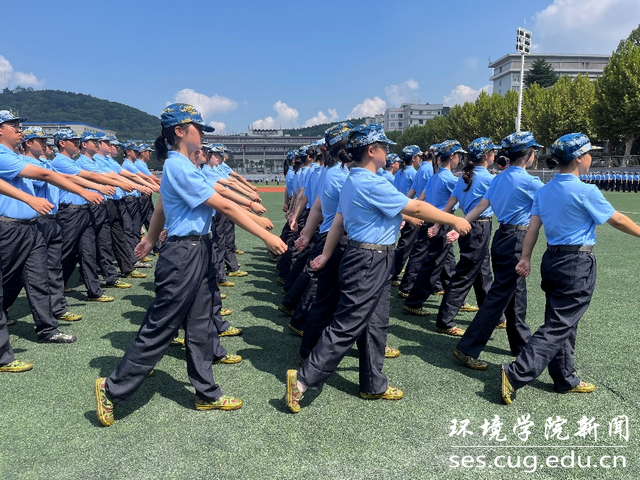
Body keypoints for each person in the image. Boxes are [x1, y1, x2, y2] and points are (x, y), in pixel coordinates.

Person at [94, 103, 286, 426]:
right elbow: (223, 205)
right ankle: (111, 389)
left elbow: (161, 207)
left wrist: (150, 239)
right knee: (161, 326)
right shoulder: (178, 167)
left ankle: (206, 392)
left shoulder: (184, 166)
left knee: (200, 324)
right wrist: (266, 236)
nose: (203, 135)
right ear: (180, 131)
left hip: (198, 249)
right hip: (183, 254)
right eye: (199, 128)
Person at [284, 124, 471, 413]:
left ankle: (373, 383)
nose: (387, 153)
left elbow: (339, 221)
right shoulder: (370, 182)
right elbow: (415, 208)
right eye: (384, 147)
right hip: (369, 259)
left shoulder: (353, 179)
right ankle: (302, 380)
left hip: (373, 257)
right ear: (371, 151)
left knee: (376, 323)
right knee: (348, 323)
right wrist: (454, 220)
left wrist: (326, 254)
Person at [501, 133, 640, 404]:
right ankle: (516, 373)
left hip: (552, 260)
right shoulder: (586, 191)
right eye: (589, 154)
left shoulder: (544, 190)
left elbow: (533, 228)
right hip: (576, 262)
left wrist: (526, 257)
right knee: (560, 324)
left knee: (562, 321)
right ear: (578, 158)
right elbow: (617, 220)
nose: (591, 158)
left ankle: (564, 378)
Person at [453, 132, 542, 369]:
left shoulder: (498, 179)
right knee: (499, 296)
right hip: (517, 239)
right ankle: (467, 348)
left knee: (516, 293)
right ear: (529, 155)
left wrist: (461, 224)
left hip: (502, 237)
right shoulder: (530, 182)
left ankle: (520, 344)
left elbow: (481, 206)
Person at [432, 138, 502, 341]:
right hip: (479, 226)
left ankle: (493, 316)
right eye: (493, 152)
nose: (494, 155)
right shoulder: (489, 178)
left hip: (467, 226)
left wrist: (438, 224)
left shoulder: (464, 177)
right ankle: (445, 321)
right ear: (487, 155)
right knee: (465, 274)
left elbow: (450, 203)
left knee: (482, 272)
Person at [400, 140, 463, 330]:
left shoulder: (435, 176)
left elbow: (420, 198)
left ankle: (452, 295)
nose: (460, 159)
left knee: (446, 261)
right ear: (452, 156)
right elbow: (458, 199)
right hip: (441, 222)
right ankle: (414, 300)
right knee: (433, 263)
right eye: (458, 156)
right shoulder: (449, 178)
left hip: (433, 220)